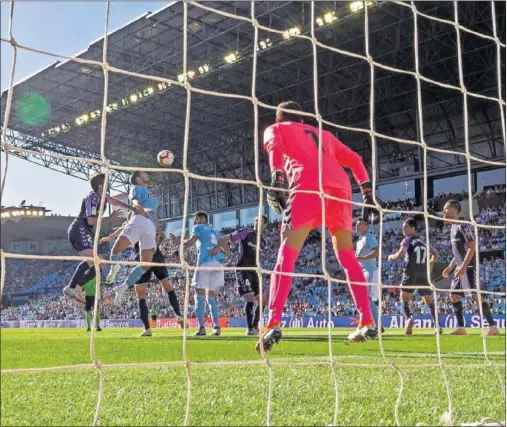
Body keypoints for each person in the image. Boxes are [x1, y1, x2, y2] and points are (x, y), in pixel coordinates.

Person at [258, 100, 377, 351]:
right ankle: (366, 320)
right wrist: (367, 192)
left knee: (287, 256)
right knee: (347, 256)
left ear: (280, 118)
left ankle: (272, 322)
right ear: (303, 119)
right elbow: (355, 159)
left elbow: (275, 149)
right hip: (341, 190)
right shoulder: (325, 134)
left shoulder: (276, 129)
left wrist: (277, 178)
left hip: (307, 187)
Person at [100, 226, 185, 337]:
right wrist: (157, 243)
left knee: (141, 295)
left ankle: (147, 329)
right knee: (167, 286)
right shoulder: (150, 221)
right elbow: (162, 234)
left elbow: (122, 231)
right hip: (156, 255)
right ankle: (178, 315)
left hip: (142, 257)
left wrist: (109, 238)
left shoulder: (133, 222)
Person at [64, 173, 134, 303]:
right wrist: (109, 219)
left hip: (83, 231)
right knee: (96, 260)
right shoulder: (93, 197)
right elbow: (90, 220)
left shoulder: (102, 197)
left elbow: (113, 200)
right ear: (101, 185)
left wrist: (130, 207)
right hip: (80, 228)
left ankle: (77, 286)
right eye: (107, 181)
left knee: (100, 263)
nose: (110, 183)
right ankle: (72, 286)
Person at [441, 200, 499, 336]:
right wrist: (450, 267)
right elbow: (459, 253)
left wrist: (464, 266)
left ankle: (493, 327)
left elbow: (472, 248)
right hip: (460, 268)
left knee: (475, 296)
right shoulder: (453, 228)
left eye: (445, 209)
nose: (443, 212)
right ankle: (461, 328)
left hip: (469, 267)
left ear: (453, 209)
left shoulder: (463, 226)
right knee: (454, 296)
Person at [169, 211, 225, 337]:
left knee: (198, 295)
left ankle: (201, 328)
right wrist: (218, 248)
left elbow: (190, 242)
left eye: (196, 219)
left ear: (197, 220)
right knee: (211, 296)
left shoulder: (198, 228)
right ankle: (216, 327)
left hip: (204, 264)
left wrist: (179, 241)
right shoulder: (213, 230)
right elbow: (221, 241)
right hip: (217, 264)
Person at [213, 215, 268, 336]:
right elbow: (225, 238)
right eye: (255, 221)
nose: (256, 223)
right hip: (243, 269)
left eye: (259, 221)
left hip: (255, 272)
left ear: (265, 225)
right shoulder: (245, 232)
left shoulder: (263, 242)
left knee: (263, 302)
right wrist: (222, 249)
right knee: (250, 299)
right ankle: (249, 329)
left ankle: (255, 326)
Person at [105, 171, 158, 294]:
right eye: (144, 173)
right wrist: (139, 207)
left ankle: (123, 287)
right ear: (138, 178)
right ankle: (114, 267)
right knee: (116, 249)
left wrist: (158, 230)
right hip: (139, 218)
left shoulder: (151, 194)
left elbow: (155, 212)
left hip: (151, 226)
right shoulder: (136, 188)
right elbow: (135, 201)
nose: (147, 174)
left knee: (145, 265)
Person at [387, 218, 440, 335]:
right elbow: (436, 254)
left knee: (403, 299)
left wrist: (392, 257)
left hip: (410, 272)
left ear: (412, 228)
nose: (403, 229)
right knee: (429, 301)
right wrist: (430, 263)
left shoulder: (407, 240)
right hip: (423, 274)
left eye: (405, 227)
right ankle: (437, 326)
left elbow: (401, 254)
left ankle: (408, 320)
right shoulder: (423, 242)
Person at [355, 219, 382, 332]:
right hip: (363, 272)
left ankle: (376, 326)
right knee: (365, 299)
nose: (356, 226)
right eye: (356, 225)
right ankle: (372, 324)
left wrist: (364, 258)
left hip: (370, 271)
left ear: (366, 225)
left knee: (368, 299)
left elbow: (377, 251)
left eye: (359, 224)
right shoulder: (360, 240)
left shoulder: (368, 236)